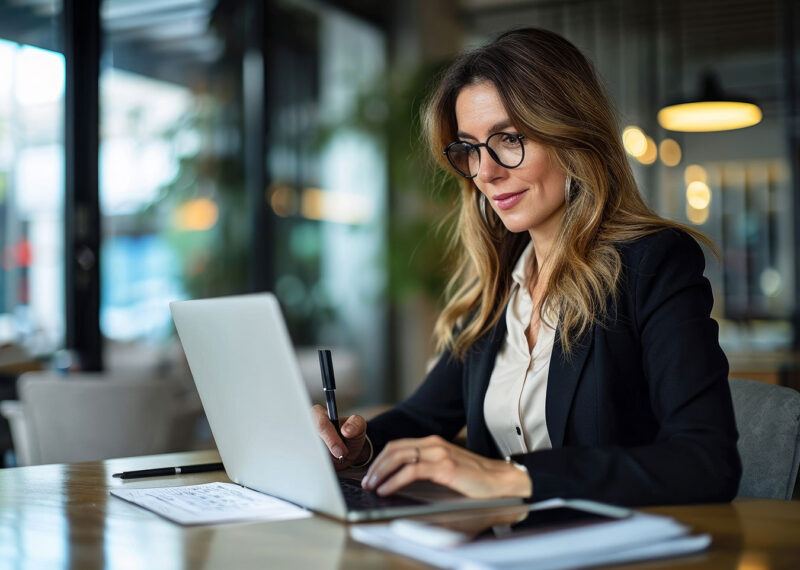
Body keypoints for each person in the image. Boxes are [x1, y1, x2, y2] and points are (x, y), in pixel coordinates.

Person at [312, 28, 741, 506]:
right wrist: (355, 445)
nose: (486, 172)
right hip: (497, 547)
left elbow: (706, 462)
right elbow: (421, 417)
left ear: (572, 136)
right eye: (470, 148)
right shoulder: (497, 290)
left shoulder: (653, 263)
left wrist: (512, 478)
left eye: (509, 139)